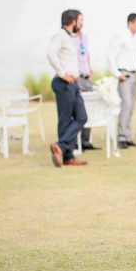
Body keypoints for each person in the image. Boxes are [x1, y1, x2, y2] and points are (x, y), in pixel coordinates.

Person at [46, 9, 88, 167]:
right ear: (73, 21)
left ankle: (61, 147)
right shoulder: (60, 36)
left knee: (81, 117)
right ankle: (67, 156)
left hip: (73, 84)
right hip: (63, 83)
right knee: (65, 120)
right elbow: (50, 53)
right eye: (81, 20)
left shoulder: (70, 38)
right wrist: (62, 73)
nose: (82, 23)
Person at [108, 13, 136, 149]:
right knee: (126, 104)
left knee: (131, 106)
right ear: (131, 23)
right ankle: (121, 137)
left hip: (134, 74)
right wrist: (117, 74)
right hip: (125, 74)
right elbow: (110, 55)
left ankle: (128, 136)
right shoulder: (121, 36)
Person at [73, 23, 100, 150]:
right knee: (77, 110)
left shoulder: (84, 37)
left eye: (83, 20)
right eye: (79, 20)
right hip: (76, 77)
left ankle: (85, 141)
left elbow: (86, 55)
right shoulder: (69, 38)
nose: (81, 23)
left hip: (86, 76)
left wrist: (90, 69)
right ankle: (75, 141)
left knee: (89, 109)